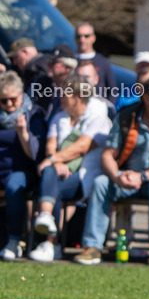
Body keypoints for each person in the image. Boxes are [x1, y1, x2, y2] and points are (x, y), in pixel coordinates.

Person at [74, 74, 149, 267]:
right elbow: (108, 155)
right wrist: (117, 177)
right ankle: (92, 247)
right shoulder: (127, 116)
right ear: (146, 98)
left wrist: (144, 176)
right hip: (128, 178)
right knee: (101, 182)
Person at [28, 77, 112, 262]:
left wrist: (52, 159)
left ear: (79, 96)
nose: (60, 97)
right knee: (51, 175)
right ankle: (48, 227)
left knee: (51, 180)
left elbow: (83, 146)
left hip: (85, 176)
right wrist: (55, 161)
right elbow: (51, 145)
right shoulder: (60, 117)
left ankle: (51, 240)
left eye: (65, 93)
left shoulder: (99, 119)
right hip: (59, 173)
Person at [0, 72, 47, 260]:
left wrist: (22, 133)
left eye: (13, 99)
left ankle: (15, 239)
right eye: (4, 101)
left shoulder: (33, 115)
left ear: (21, 95)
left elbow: (34, 156)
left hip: (22, 171)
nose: (10, 104)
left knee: (14, 186)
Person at [73, 22, 116, 97]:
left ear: (93, 38)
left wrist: (108, 107)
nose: (82, 39)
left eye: (86, 36)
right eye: (79, 36)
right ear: (75, 38)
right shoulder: (70, 61)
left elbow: (112, 90)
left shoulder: (103, 62)